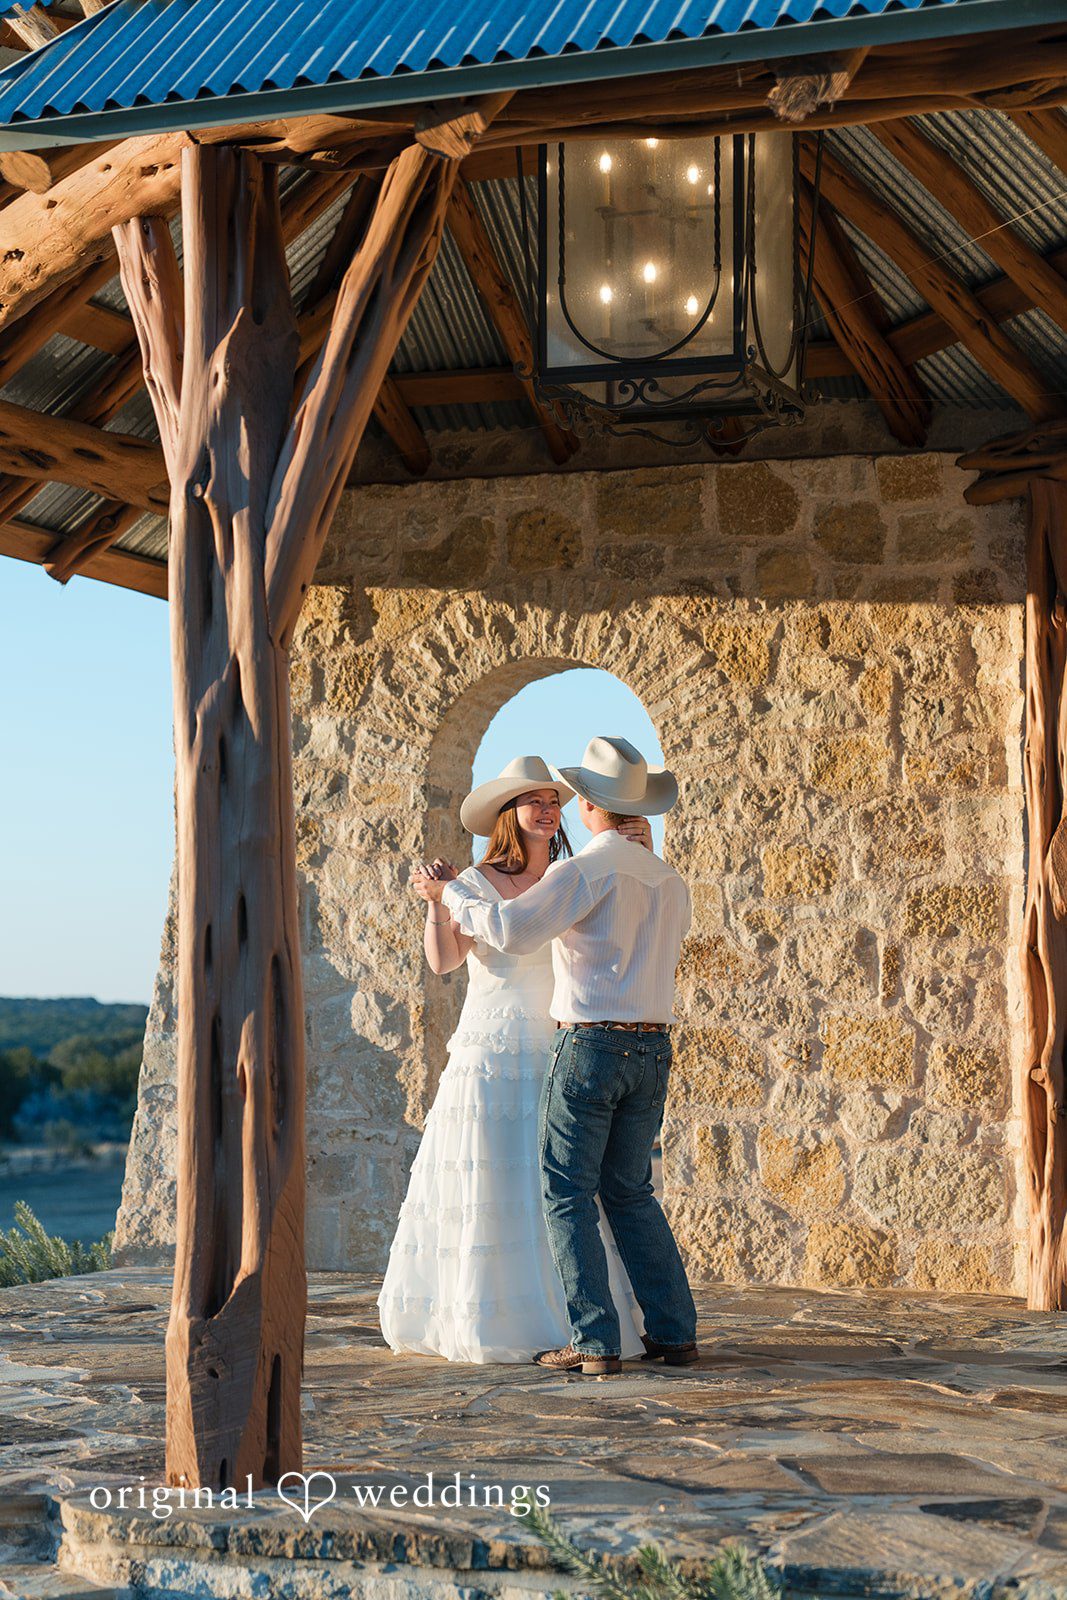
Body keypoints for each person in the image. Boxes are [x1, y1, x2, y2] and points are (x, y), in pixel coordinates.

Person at [417, 736, 698, 1377]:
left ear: (591, 805)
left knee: (568, 1193)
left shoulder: (583, 871)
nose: (559, 809)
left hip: (592, 1043)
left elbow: (512, 931)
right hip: (654, 1046)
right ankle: (675, 1333)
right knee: (631, 1192)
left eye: (567, 799)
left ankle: (595, 1343)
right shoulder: (666, 877)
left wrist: (449, 895)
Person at [379, 755, 648, 1363]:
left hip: (557, 1042)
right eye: (535, 800)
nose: (549, 810)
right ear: (509, 812)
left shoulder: (569, 876)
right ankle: (493, 1316)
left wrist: (637, 847)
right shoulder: (474, 883)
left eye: (554, 801)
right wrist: (436, 904)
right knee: (493, 1174)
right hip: (490, 1047)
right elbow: (444, 962)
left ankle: (578, 1317)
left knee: (562, 1181)